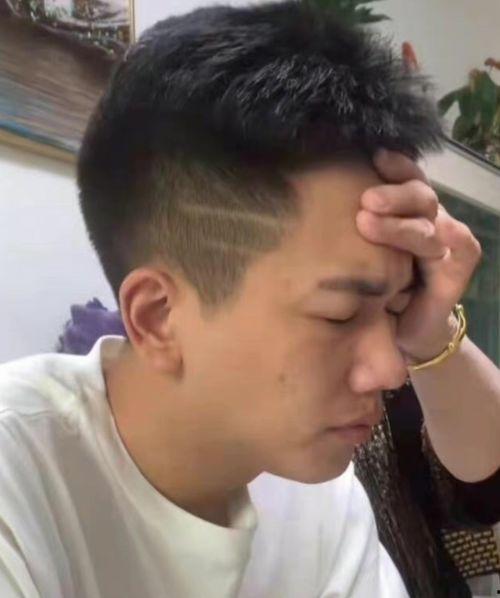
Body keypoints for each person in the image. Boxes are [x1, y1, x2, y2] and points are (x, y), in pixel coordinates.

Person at [0, 2, 499, 597]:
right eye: (339, 314)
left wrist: (429, 326)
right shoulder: (21, 480)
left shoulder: (317, 491)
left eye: (394, 309)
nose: (391, 370)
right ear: (158, 318)